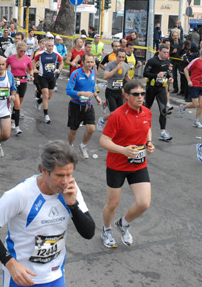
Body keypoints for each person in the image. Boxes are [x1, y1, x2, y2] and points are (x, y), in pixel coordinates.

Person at [0, 140, 95, 287]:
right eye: (59, 175)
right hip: (22, 278)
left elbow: (88, 232)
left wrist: (73, 205)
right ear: (44, 170)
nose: (65, 182)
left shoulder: (71, 190)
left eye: (69, 174)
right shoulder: (20, 194)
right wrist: (9, 263)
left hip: (55, 276)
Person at [100, 79, 155, 249]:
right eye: (136, 94)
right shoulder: (117, 115)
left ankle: (123, 223)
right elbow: (103, 140)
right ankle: (106, 229)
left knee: (144, 203)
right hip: (117, 165)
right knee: (112, 204)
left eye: (142, 94)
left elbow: (147, 129)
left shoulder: (147, 112)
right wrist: (123, 150)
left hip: (138, 164)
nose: (140, 97)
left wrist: (149, 143)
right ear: (126, 95)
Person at [66, 53, 102, 158]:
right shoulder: (76, 74)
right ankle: (70, 146)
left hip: (88, 104)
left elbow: (91, 88)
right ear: (83, 62)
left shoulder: (92, 73)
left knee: (91, 128)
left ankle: (82, 146)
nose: (90, 64)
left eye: (92, 62)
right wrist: (82, 93)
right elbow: (68, 91)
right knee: (73, 130)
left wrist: (96, 96)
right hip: (75, 105)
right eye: (88, 62)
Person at [143, 45, 174, 141]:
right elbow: (145, 73)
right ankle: (142, 129)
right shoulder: (152, 61)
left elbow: (167, 72)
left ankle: (163, 132)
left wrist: (170, 77)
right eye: (164, 52)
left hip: (161, 88)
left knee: (163, 110)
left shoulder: (167, 61)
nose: (165, 54)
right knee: (146, 109)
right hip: (151, 88)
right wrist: (156, 75)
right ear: (159, 51)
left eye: (167, 52)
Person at [97, 49, 131, 131]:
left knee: (120, 113)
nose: (121, 59)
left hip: (119, 91)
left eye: (123, 57)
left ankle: (116, 130)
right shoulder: (110, 64)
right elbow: (105, 76)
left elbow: (126, 76)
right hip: (110, 91)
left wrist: (134, 84)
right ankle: (102, 120)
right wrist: (116, 69)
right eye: (119, 57)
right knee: (113, 112)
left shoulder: (126, 66)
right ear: (116, 57)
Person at [179, 47, 202, 129]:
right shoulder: (196, 61)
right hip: (195, 85)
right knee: (195, 104)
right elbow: (186, 69)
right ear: (201, 54)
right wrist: (189, 80)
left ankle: (196, 121)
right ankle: (183, 107)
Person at [6, 41, 34, 135]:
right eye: (21, 51)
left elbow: (31, 68)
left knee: (18, 104)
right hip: (13, 82)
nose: (23, 53)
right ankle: (17, 127)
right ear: (17, 50)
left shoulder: (27, 59)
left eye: (25, 51)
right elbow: (5, 67)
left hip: (23, 82)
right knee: (17, 104)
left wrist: (31, 74)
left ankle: (13, 118)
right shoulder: (11, 58)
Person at [34, 39, 64, 124]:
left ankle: (39, 101)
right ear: (46, 46)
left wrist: (59, 69)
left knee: (49, 97)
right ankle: (46, 115)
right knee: (46, 95)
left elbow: (61, 62)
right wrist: (34, 69)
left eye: (52, 46)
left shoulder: (56, 54)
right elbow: (33, 61)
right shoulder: (40, 54)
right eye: (49, 46)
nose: (50, 47)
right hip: (43, 77)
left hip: (52, 77)